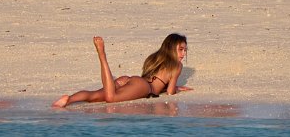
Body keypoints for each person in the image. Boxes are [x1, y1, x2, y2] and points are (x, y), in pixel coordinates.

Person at [51, 34, 192, 108]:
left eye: (185, 50)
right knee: (111, 98)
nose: (183, 54)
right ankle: (102, 56)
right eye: (180, 49)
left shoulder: (154, 58)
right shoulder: (176, 66)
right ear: (171, 47)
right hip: (144, 87)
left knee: (94, 96)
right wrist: (176, 88)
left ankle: (68, 100)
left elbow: (152, 77)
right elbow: (170, 92)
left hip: (132, 80)